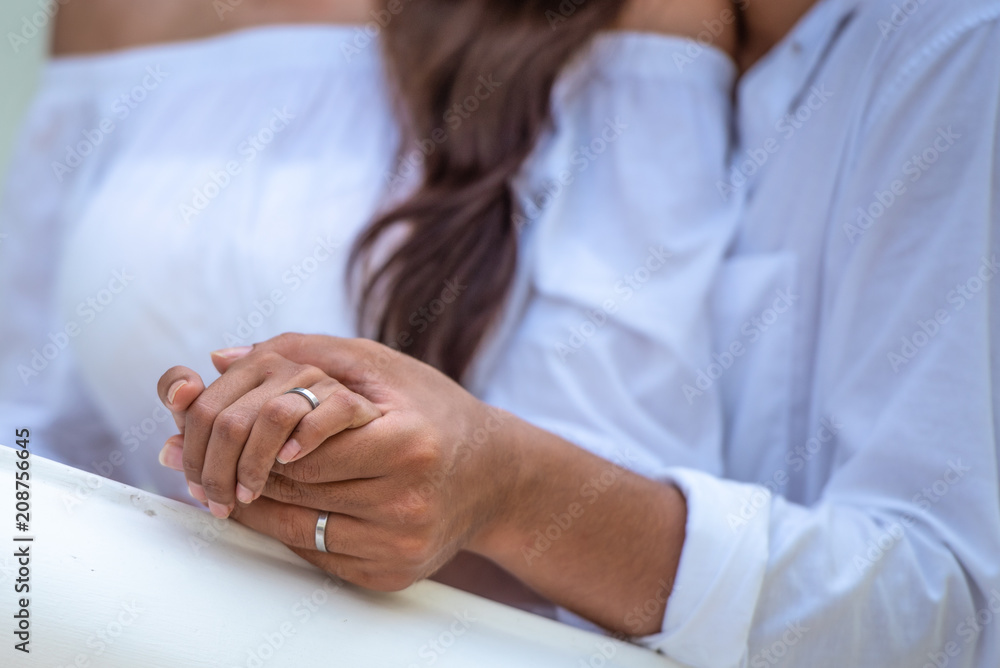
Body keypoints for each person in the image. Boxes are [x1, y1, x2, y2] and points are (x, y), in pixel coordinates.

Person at [157, 0, 1000, 665]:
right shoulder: (586, 42)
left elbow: (952, 616)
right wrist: (354, 470)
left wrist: (510, 489)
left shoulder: (960, 52)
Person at [0, 0, 738, 619]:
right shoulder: (118, 13)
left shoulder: (645, 14)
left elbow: (635, 498)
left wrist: (442, 491)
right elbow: (31, 427)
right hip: (136, 629)